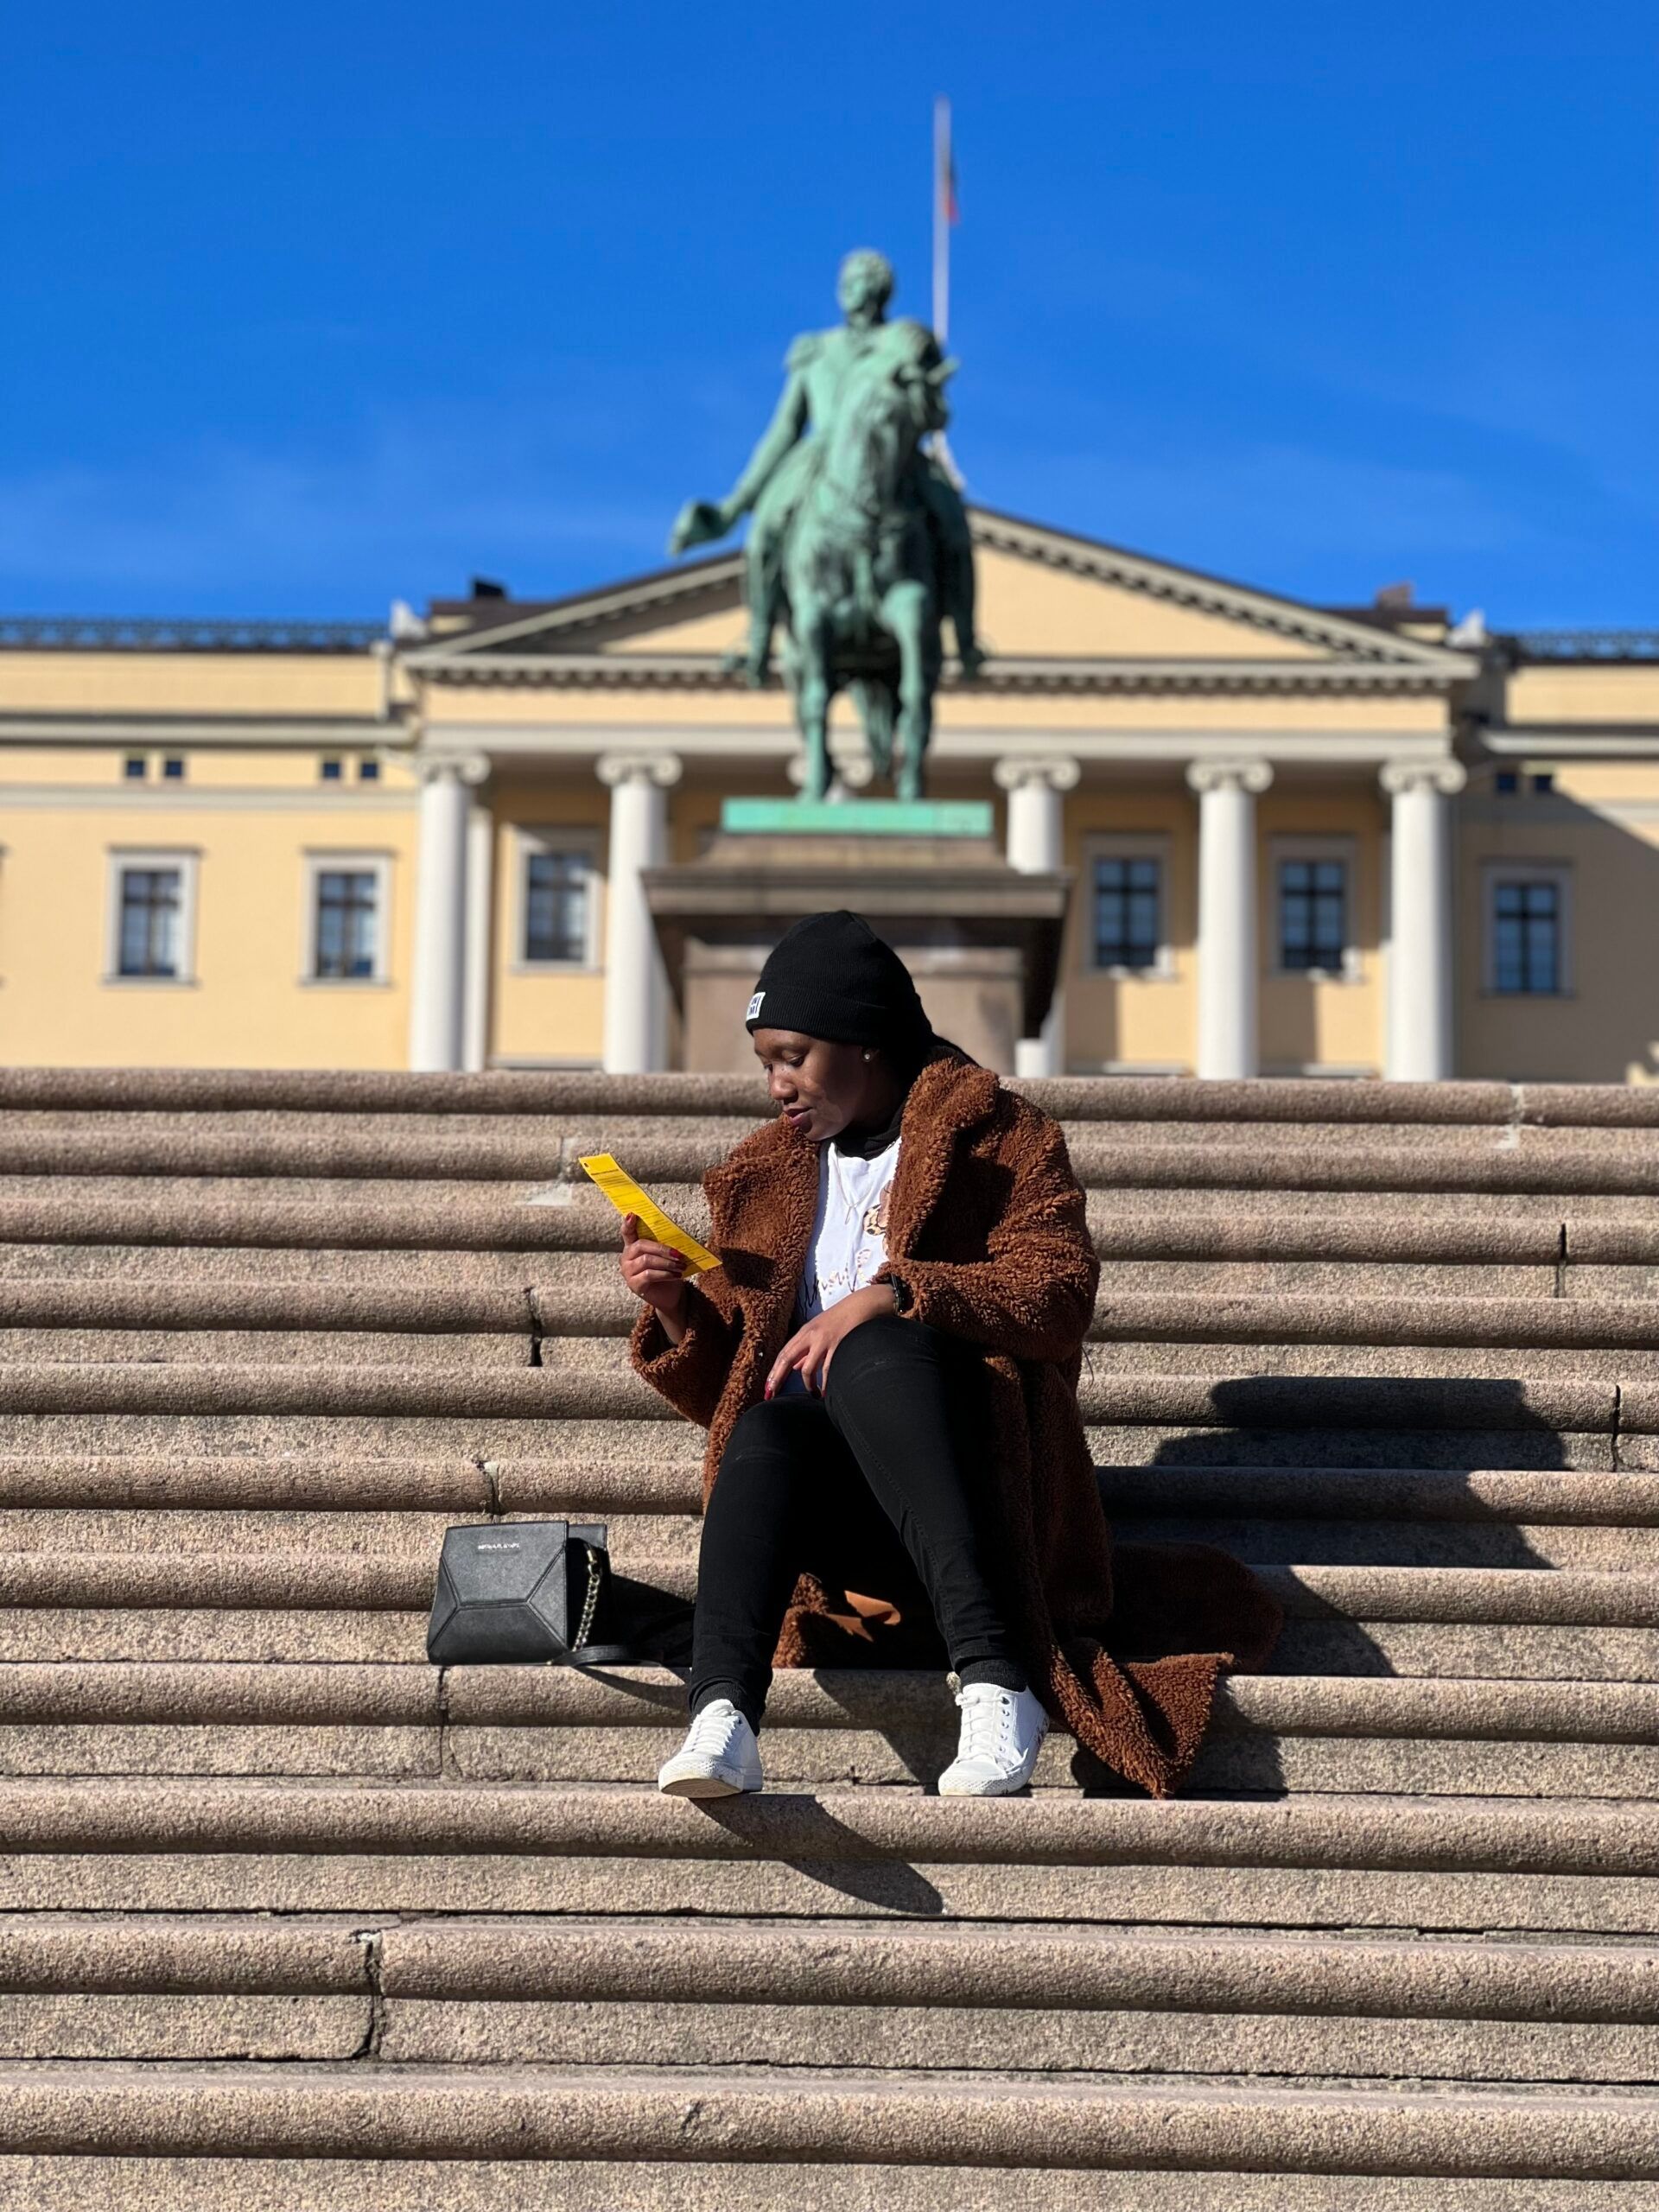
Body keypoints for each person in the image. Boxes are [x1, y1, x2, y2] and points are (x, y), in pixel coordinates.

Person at [620, 911, 1281, 1802]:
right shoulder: (768, 1176)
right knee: (770, 1431)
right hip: (853, 1538)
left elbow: (1058, 1293)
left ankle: (997, 1681)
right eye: (765, 1061)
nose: (776, 1083)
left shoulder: (1000, 1138)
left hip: (979, 1488)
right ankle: (724, 1713)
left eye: (794, 1055)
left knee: (871, 1352)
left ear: (866, 1042)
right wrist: (676, 1311)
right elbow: (737, 1387)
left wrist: (893, 1292)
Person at [669, 250, 982, 687]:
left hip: (898, 459)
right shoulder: (815, 351)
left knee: (952, 524)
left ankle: (966, 639)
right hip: (818, 458)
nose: (853, 289)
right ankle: (758, 637)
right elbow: (784, 429)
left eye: (862, 281)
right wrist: (736, 504)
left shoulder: (906, 341)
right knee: (764, 536)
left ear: (881, 291)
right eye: (848, 281)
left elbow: (936, 414)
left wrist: (918, 394)